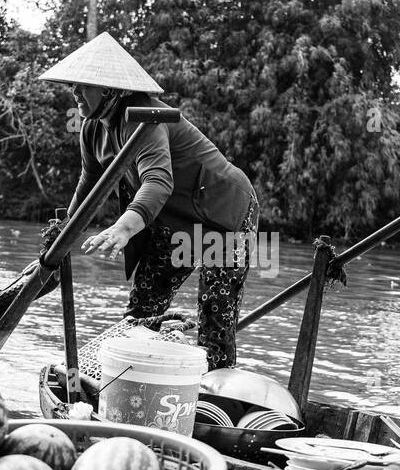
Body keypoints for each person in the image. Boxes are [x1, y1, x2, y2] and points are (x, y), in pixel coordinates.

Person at [39, 32, 258, 370]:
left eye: (83, 86)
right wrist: (65, 229)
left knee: (215, 318)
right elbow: (90, 183)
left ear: (110, 90)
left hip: (224, 215)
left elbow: (158, 181)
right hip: (172, 220)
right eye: (73, 86)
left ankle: (212, 400)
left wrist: (124, 227)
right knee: (143, 310)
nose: (74, 93)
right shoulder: (93, 128)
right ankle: (132, 383)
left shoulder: (147, 119)